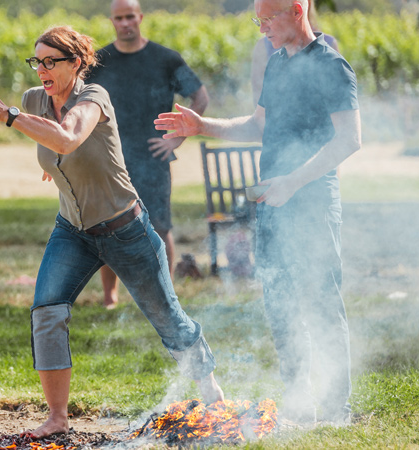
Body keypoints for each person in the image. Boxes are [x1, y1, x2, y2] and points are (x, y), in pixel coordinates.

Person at [0, 25, 225, 439]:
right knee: (47, 311)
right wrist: (52, 169)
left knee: (168, 319)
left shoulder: (94, 97)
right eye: (37, 61)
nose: (42, 70)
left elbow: (68, 138)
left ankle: (211, 389)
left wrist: (11, 118)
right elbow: (54, 150)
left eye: (51, 61)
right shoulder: (35, 99)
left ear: (76, 63)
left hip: (126, 229)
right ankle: (56, 418)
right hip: (73, 230)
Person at [155, 0, 361, 425]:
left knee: (321, 301)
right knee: (279, 301)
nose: (261, 26)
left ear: (297, 10)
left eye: (267, 18)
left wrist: (292, 181)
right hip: (272, 201)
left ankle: (336, 409)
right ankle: (299, 399)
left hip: (312, 201)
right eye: (258, 18)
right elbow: (259, 125)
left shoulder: (330, 65)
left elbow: (349, 140)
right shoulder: (277, 63)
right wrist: (203, 127)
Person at [86, 0, 210, 309]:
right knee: (106, 226)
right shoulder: (99, 61)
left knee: (159, 227)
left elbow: (200, 97)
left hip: (153, 157)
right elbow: (78, 103)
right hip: (110, 158)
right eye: (119, 18)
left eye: (130, 16)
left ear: (140, 18)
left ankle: (166, 297)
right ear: (112, 21)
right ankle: (109, 298)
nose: (125, 22)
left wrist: (177, 137)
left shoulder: (165, 59)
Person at [250, 0, 337, 105]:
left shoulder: (330, 51)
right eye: (260, 20)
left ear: (297, 10)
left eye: (268, 19)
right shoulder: (266, 50)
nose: (262, 29)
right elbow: (260, 111)